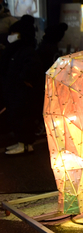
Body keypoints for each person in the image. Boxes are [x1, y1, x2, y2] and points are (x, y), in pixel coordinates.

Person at [0, 15, 43, 154]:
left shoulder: (26, 51)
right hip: (16, 92)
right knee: (16, 116)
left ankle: (24, 144)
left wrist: (23, 81)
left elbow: (31, 69)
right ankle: (21, 142)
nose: (11, 36)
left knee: (23, 117)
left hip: (22, 94)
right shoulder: (16, 50)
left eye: (14, 33)